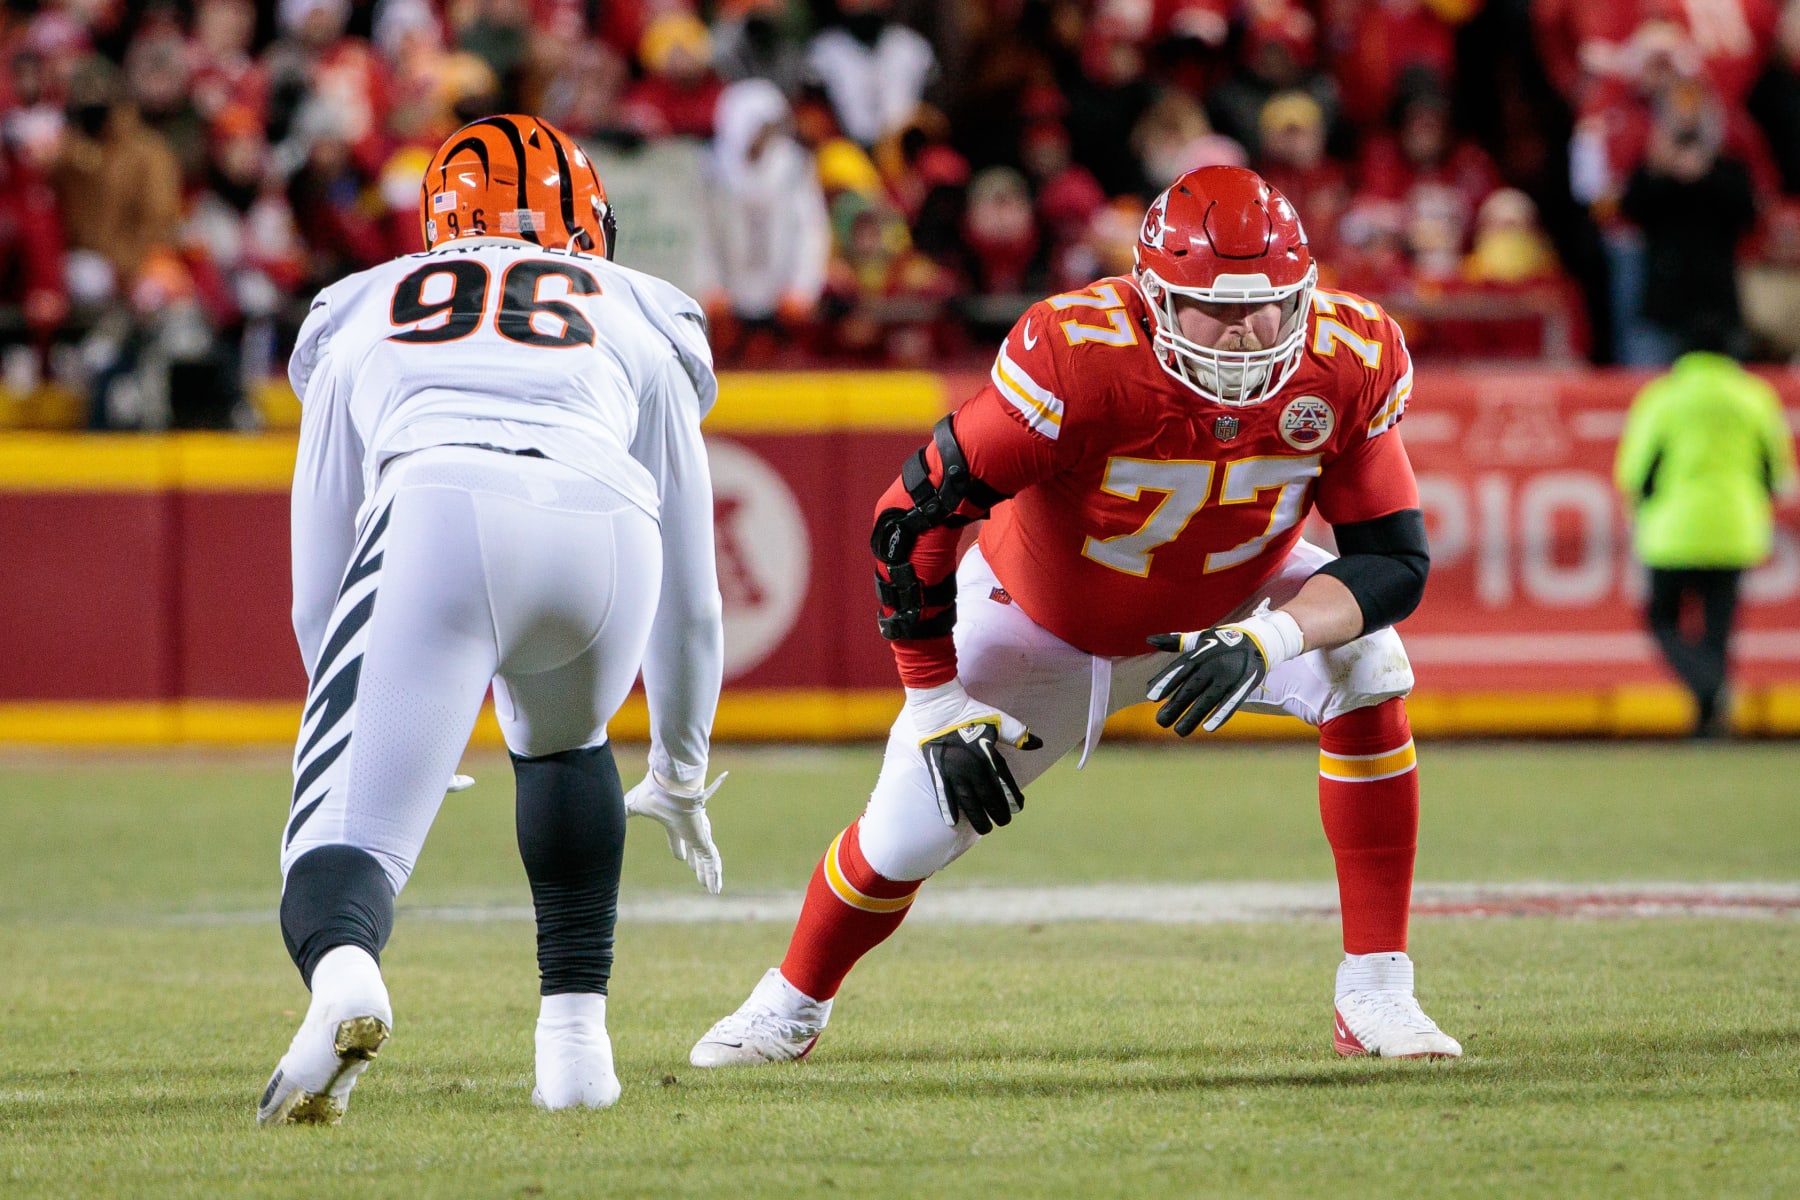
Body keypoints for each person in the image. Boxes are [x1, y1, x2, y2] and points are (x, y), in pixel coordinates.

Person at [691, 164, 1462, 1068]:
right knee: (907, 836)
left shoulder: (1346, 356)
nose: (1247, 331)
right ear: (1154, 299)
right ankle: (791, 1001)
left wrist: (1269, 637)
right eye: (1214, 308)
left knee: (1369, 664)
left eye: (1269, 305)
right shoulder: (1080, 355)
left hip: (1231, 599)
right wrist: (935, 703)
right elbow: (911, 518)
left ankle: (1376, 993)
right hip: (1038, 618)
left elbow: (1393, 561)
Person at [260, 115, 726, 1125]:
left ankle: (345, 984)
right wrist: (681, 768)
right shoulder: (638, 306)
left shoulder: (362, 306)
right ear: (585, 218)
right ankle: (576, 1053)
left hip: (440, 506)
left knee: (339, 842)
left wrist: (365, 718)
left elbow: (318, 576)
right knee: (567, 745)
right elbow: (694, 595)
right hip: (608, 533)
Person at [1614, 339, 1797, 737]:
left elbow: (1634, 471)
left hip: (1671, 530)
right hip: (1735, 528)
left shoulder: (1663, 396)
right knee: (1718, 631)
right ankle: (1711, 719)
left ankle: (1709, 689)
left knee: (1663, 620)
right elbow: (1777, 474)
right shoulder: (1754, 396)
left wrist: (1642, 510)